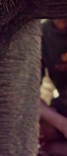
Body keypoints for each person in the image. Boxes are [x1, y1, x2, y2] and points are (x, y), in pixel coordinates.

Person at [39, 18, 67, 156]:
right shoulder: (42, 33)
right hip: (62, 111)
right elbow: (29, 95)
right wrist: (62, 124)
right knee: (31, 128)